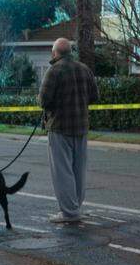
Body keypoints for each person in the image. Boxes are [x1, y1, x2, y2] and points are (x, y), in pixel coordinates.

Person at [39, 37, 99, 225]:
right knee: (78, 169)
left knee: (62, 171)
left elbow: (43, 100)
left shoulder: (54, 71)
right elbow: (94, 97)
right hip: (81, 126)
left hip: (59, 127)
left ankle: (69, 212)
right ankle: (76, 206)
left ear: (55, 52)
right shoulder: (84, 69)